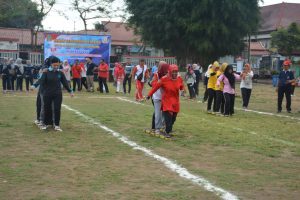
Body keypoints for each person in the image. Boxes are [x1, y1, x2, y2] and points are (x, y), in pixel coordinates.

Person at [147, 64, 185, 138]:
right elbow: (155, 87)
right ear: (170, 71)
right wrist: (149, 95)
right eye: (173, 72)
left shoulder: (179, 78)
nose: (174, 73)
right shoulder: (164, 79)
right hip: (167, 101)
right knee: (168, 117)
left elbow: (181, 85)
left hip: (175, 101)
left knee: (173, 117)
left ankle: (168, 129)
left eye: (176, 72)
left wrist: (182, 90)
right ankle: (167, 131)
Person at [39, 56, 74, 131]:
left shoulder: (60, 73)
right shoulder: (46, 71)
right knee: (46, 108)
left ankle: (57, 125)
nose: (56, 66)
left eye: (57, 65)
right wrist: (36, 87)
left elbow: (65, 83)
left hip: (57, 94)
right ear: (51, 64)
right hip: (47, 93)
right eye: (54, 65)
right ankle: (44, 124)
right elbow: (41, 81)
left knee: (57, 109)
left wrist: (70, 91)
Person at [147, 61, 169, 136]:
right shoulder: (156, 74)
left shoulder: (167, 75)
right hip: (156, 97)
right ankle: (157, 128)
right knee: (157, 113)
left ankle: (162, 127)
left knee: (164, 113)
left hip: (165, 97)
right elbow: (152, 84)